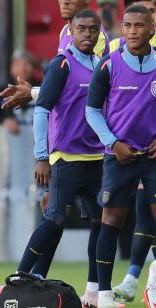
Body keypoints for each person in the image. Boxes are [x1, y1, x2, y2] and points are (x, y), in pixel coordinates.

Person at [15, 9, 104, 307]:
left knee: (103, 221)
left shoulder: (101, 65)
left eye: (93, 30)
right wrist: (42, 156)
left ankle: (94, 290)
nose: (87, 35)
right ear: (71, 31)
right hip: (66, 157)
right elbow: (41, 109)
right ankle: (21, 277)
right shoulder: (61, 64)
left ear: (99, 32)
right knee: (54, 218)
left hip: (97, 158)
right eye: (82, 29)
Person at [85, 5, 156, 307]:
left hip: (152, 157)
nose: (132, 31)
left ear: (151, 29)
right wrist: (113, 143)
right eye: (127, 25)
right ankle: (103, 296)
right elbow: (91, 110)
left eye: (139, 26)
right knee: (110, 221)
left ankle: (151, 289)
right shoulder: (109, 64)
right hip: (119, 155)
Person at [107, 1, 156, 302]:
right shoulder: (115, 50)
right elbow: (89, 91)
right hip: (134, 151)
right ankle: (132, 279)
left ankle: (135, 279)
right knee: (142, 213)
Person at [0, 0, 110, 110]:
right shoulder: (65, 31)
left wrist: (33, 93)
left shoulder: (95, 37)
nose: (65, 2)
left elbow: (85, 87)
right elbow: (63, 82)